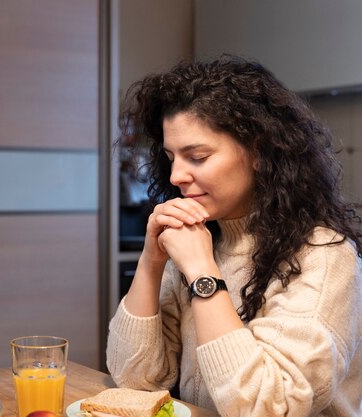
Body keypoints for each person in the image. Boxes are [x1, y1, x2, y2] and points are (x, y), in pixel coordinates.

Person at [106, 55, 362, 417]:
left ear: (257, 152)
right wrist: (151, 260)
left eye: (196, 156)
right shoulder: (200, 237)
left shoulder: (323, 254)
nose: (176, 175)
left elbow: (265, 407)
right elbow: (135, 379)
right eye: (171, 157)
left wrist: (202, 272)